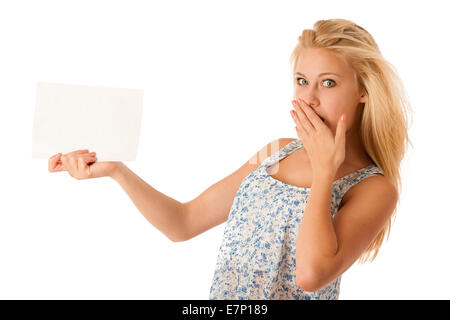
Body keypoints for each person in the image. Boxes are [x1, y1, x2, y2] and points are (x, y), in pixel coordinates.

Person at [48, 18, 411, 300]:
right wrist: (116, 171)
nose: (310, 98)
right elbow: (183, 222)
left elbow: (311, 275)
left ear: (364, 90)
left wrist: (324, 169)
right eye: (302, 80)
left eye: (328, 83)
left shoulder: (374, 188)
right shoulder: (276, 150)